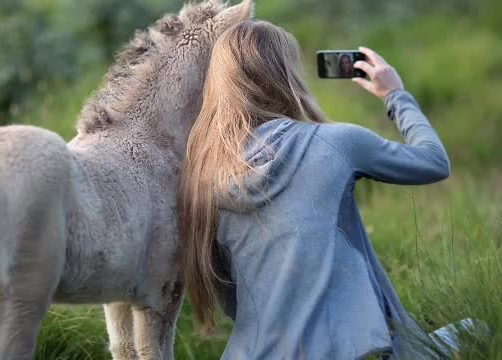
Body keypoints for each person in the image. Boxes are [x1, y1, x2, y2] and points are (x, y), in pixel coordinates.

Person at [179, 20, 452, 359]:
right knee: (474, 330)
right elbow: (434, 162)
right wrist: (396, 95)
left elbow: (230, 298)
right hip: (352, 350)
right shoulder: (338, 142)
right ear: (285, 75)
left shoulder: (205, 178)